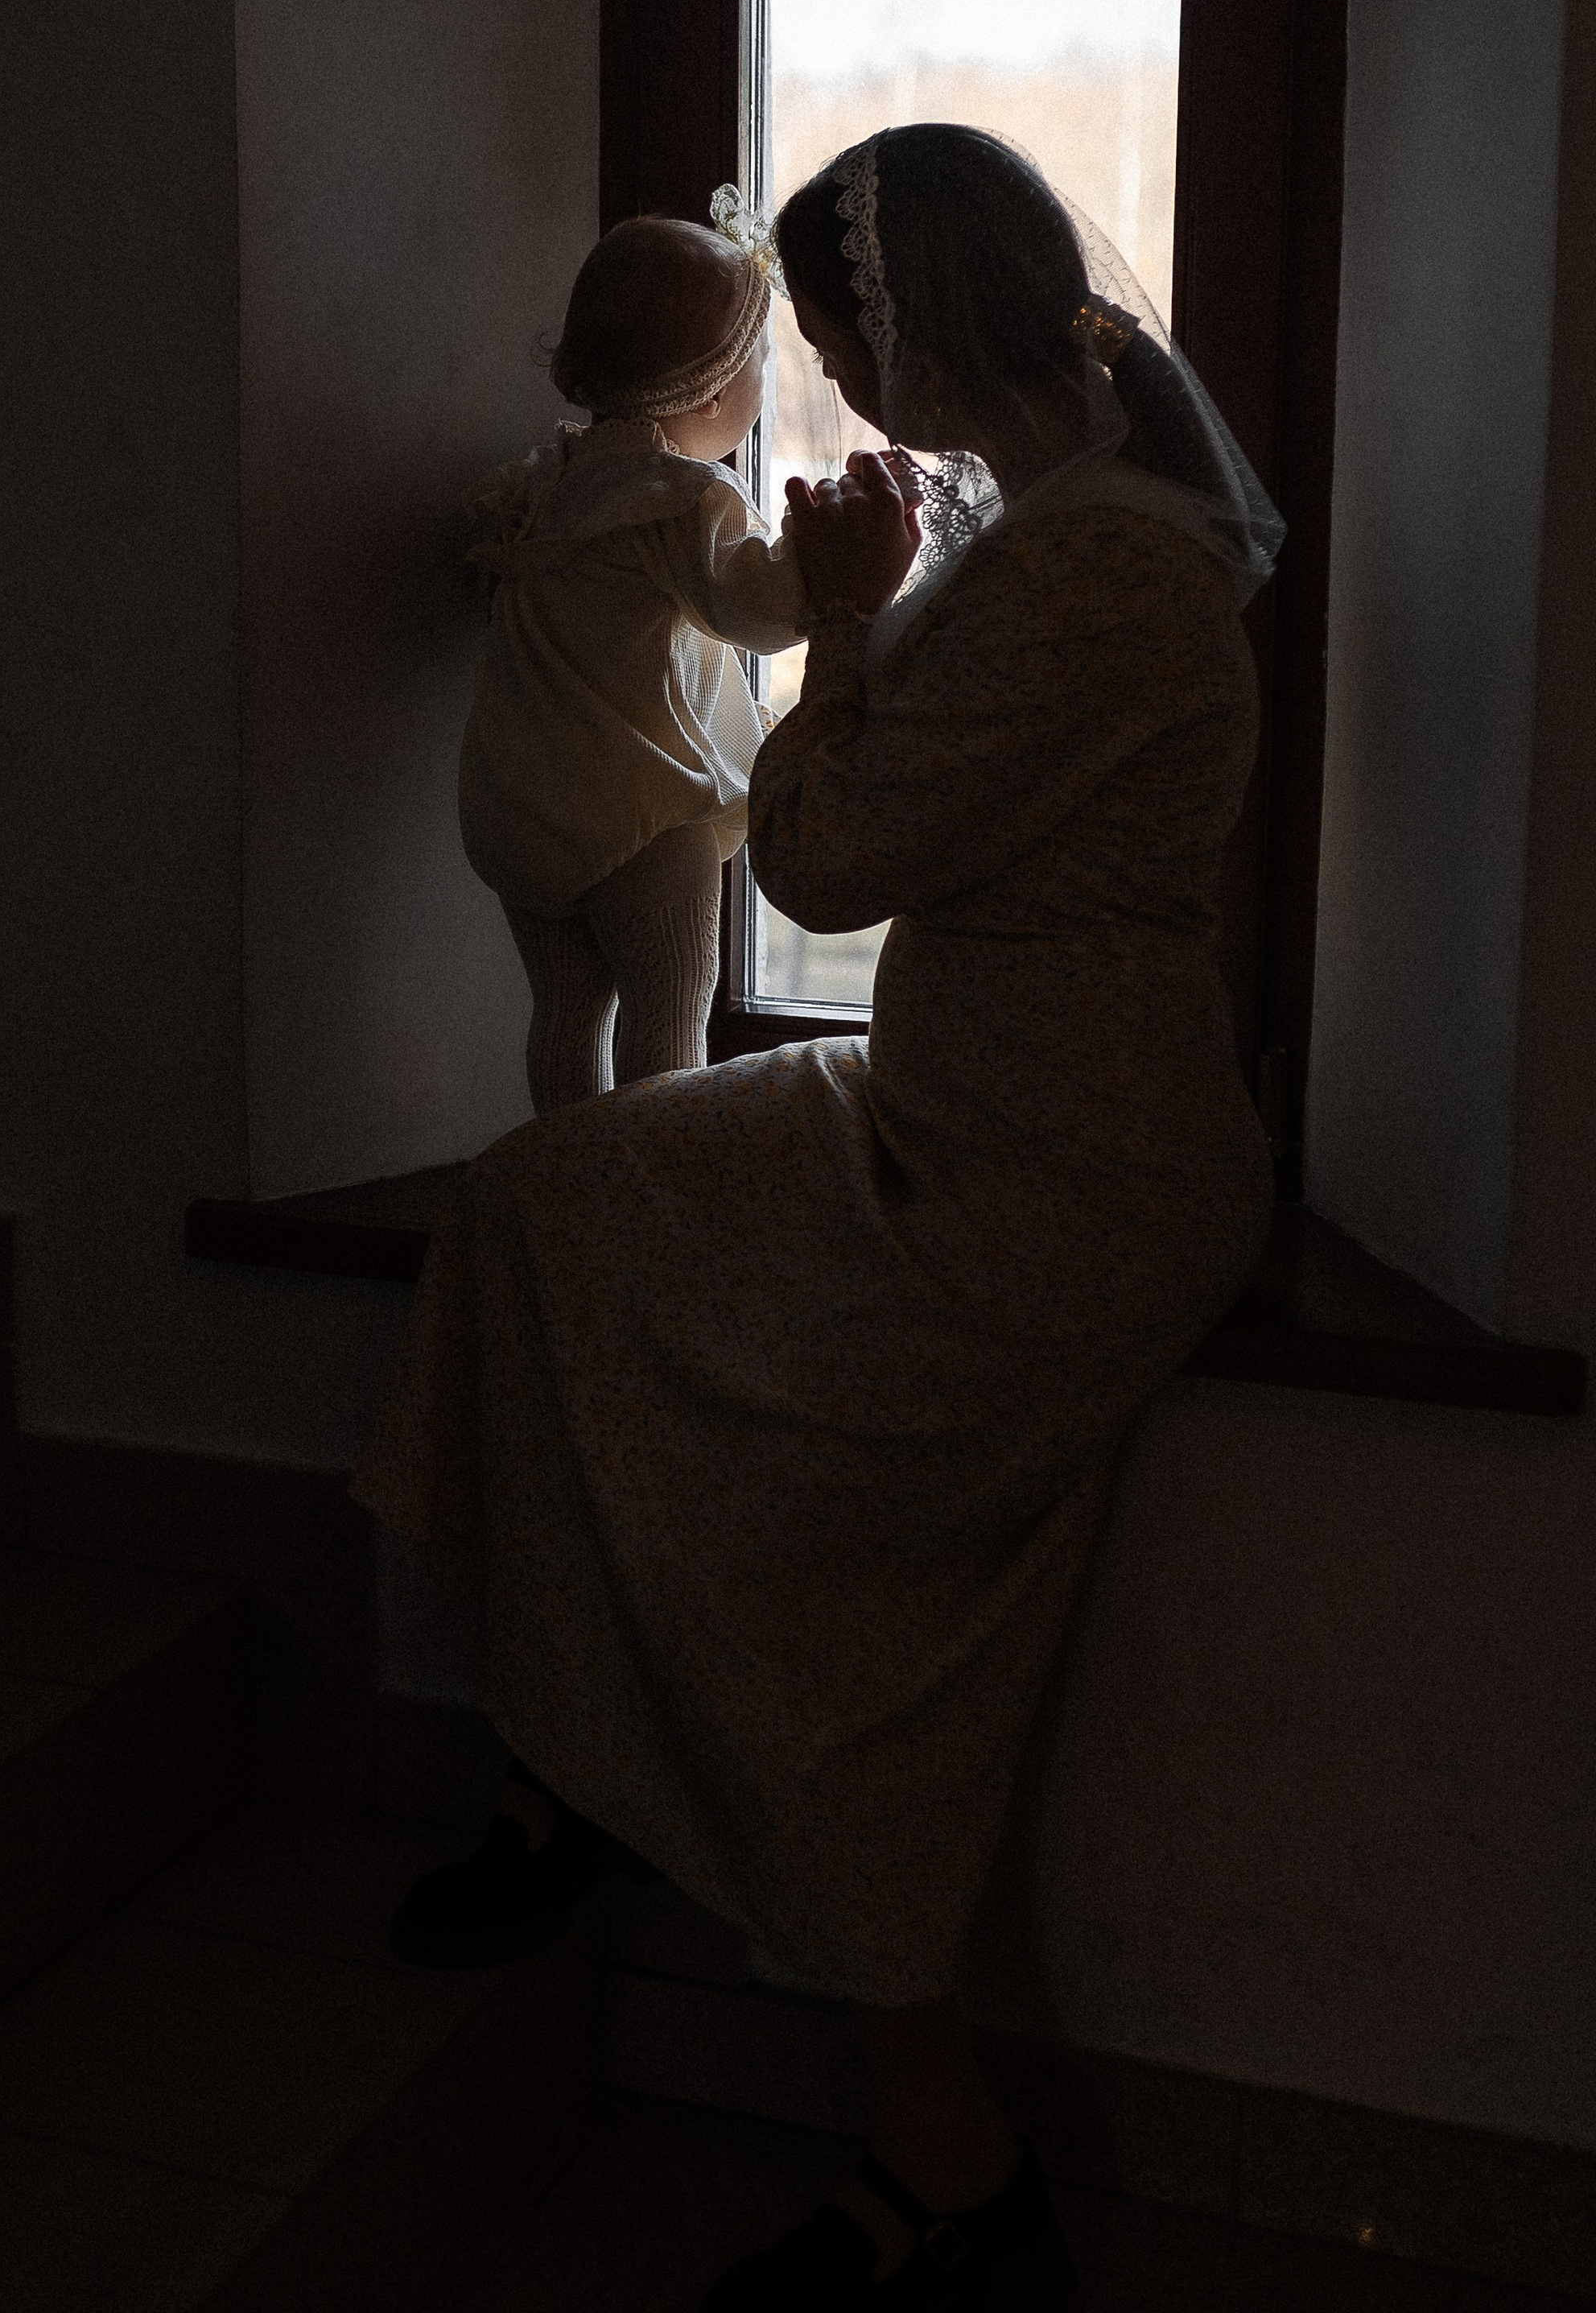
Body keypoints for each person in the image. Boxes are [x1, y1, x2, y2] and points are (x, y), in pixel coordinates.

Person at [357, 125, 1281, 2310]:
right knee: (542, 1205)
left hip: (1043, 1184)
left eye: (845, 341)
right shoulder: (1071, 518)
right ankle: (553, 1767)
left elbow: (825, 862)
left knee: (822, 1612)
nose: (844, 400)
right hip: (973, 1108)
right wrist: (871, 618)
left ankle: (949, 2167)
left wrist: (843, 633)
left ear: (908, 323)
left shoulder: (1099, 569)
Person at [459, 204, 809, 1111]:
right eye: (763, 361)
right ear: (710, 393)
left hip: (520, 807)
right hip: (642, 812)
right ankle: (658, 1206)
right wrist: (832, 562)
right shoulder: (681, 498)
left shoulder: (546, 481)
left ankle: (567, 1194)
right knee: (667, 1022)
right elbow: (758, 614)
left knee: (565, 1015)